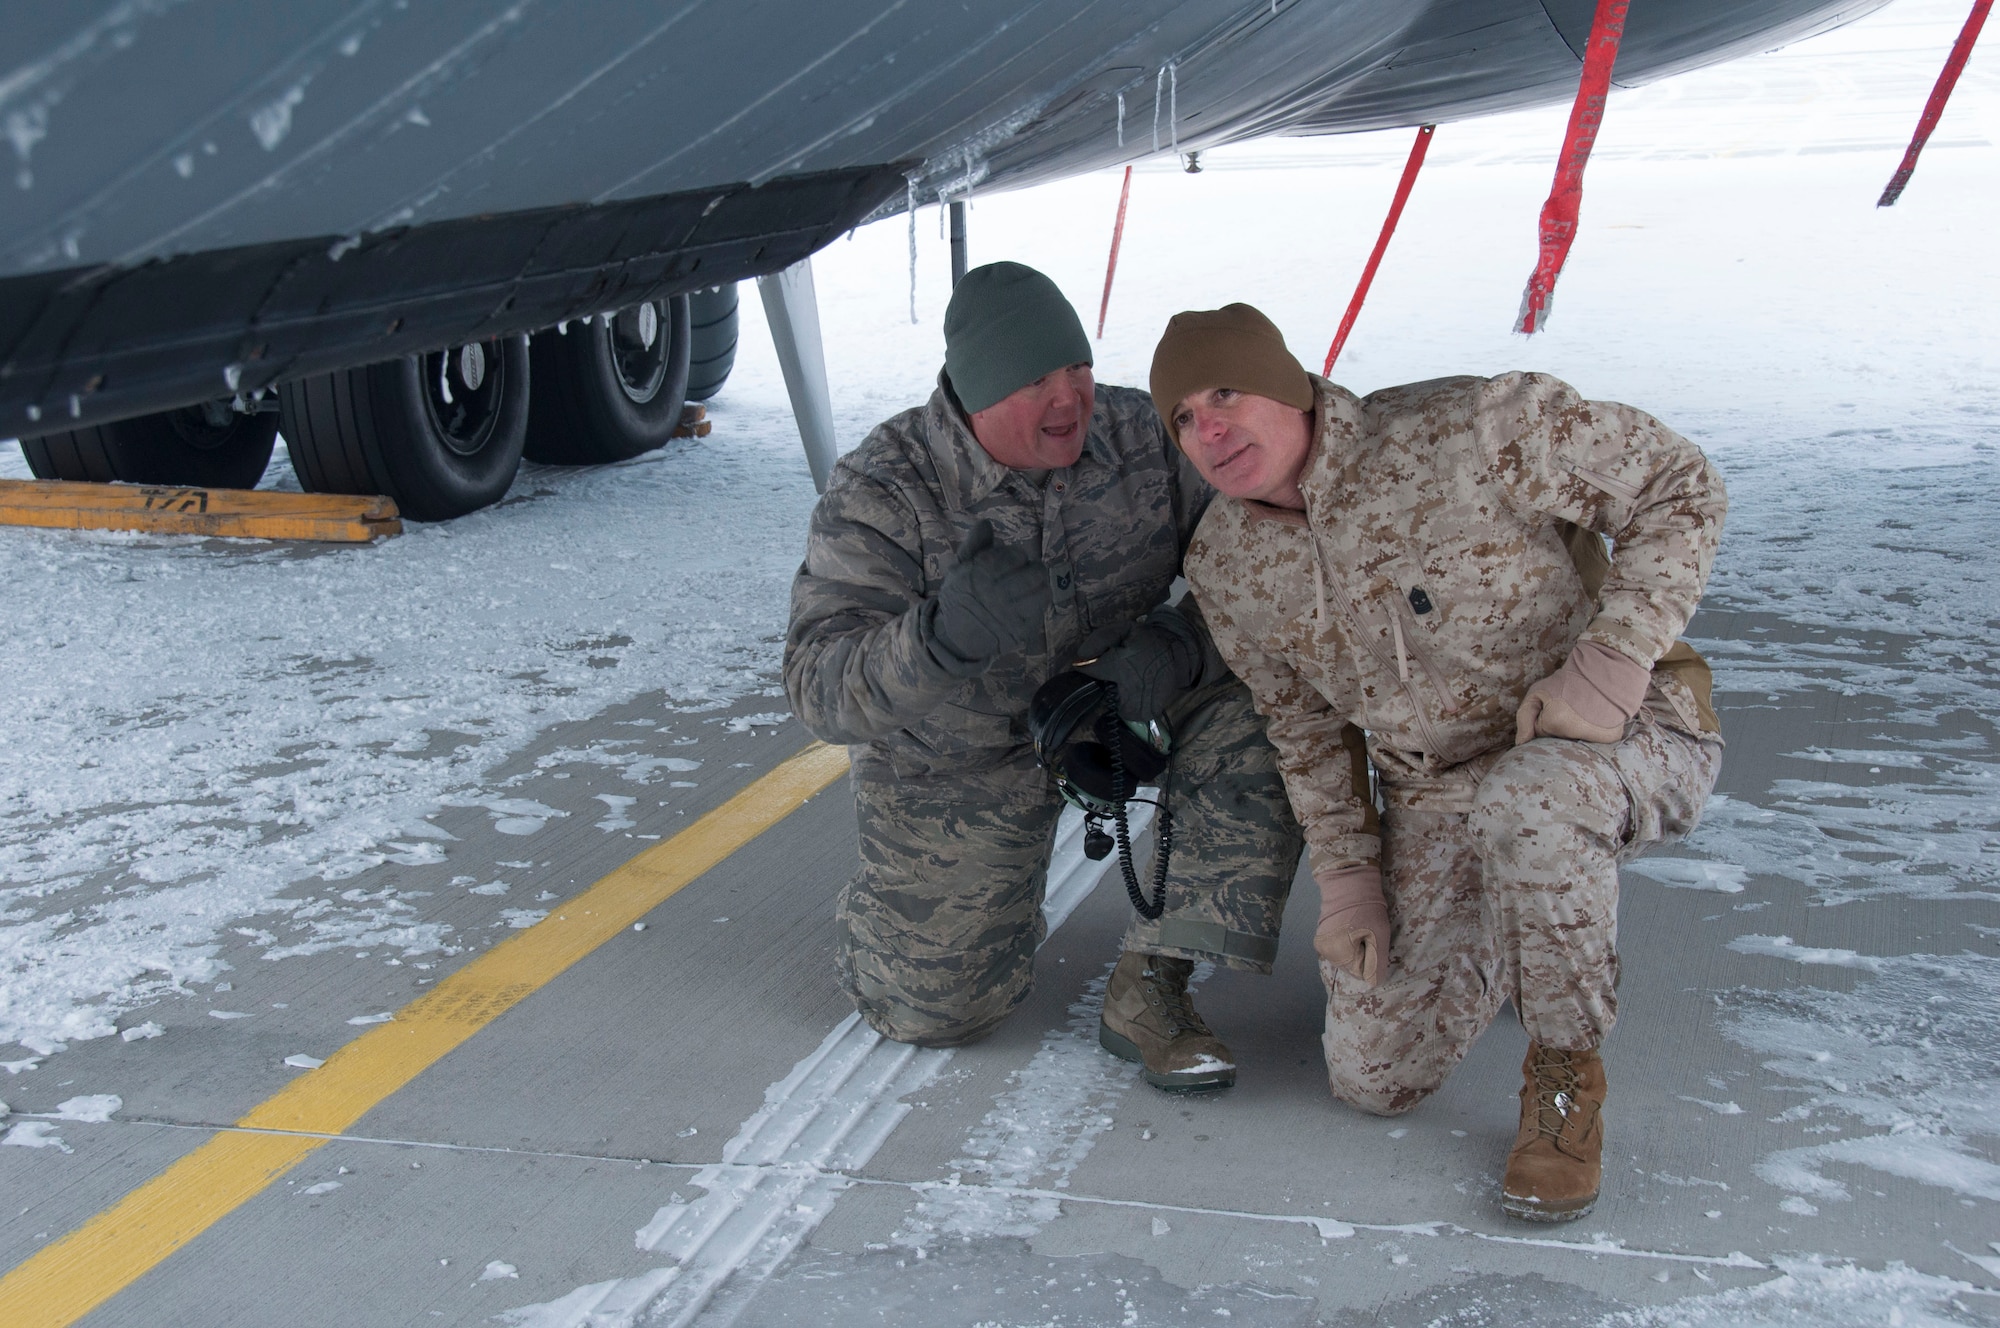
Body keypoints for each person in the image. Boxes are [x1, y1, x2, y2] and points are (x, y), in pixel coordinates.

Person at [1152, 303, 1725, 1221]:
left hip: (1614, 731)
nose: (1208, 428)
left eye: (1226, 392)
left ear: (1289, 387)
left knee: (1533, 807)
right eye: (1183, 416)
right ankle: (1512, 922)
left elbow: (1678, 483)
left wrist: (1613, 661)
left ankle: (1565, 1076)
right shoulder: (1226, 562)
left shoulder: (1473, 429)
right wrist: (1350, 881)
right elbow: (1304, 729)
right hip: (1438, 788)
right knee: (1373, 1077)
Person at [784, 263, 1304, 1091]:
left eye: (1077, 368)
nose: (1069, 399)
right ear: (976, 393)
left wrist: (1171, 652)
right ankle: (904, 915)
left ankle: (1155, 981)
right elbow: (819, 689)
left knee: (1275, 703)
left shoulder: (1145, 439)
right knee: (932, 1012)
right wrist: (941, 639)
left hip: (1130, 706)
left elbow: (1272, 568)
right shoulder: (885, 488)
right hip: (964, 756)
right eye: (1035, 381)